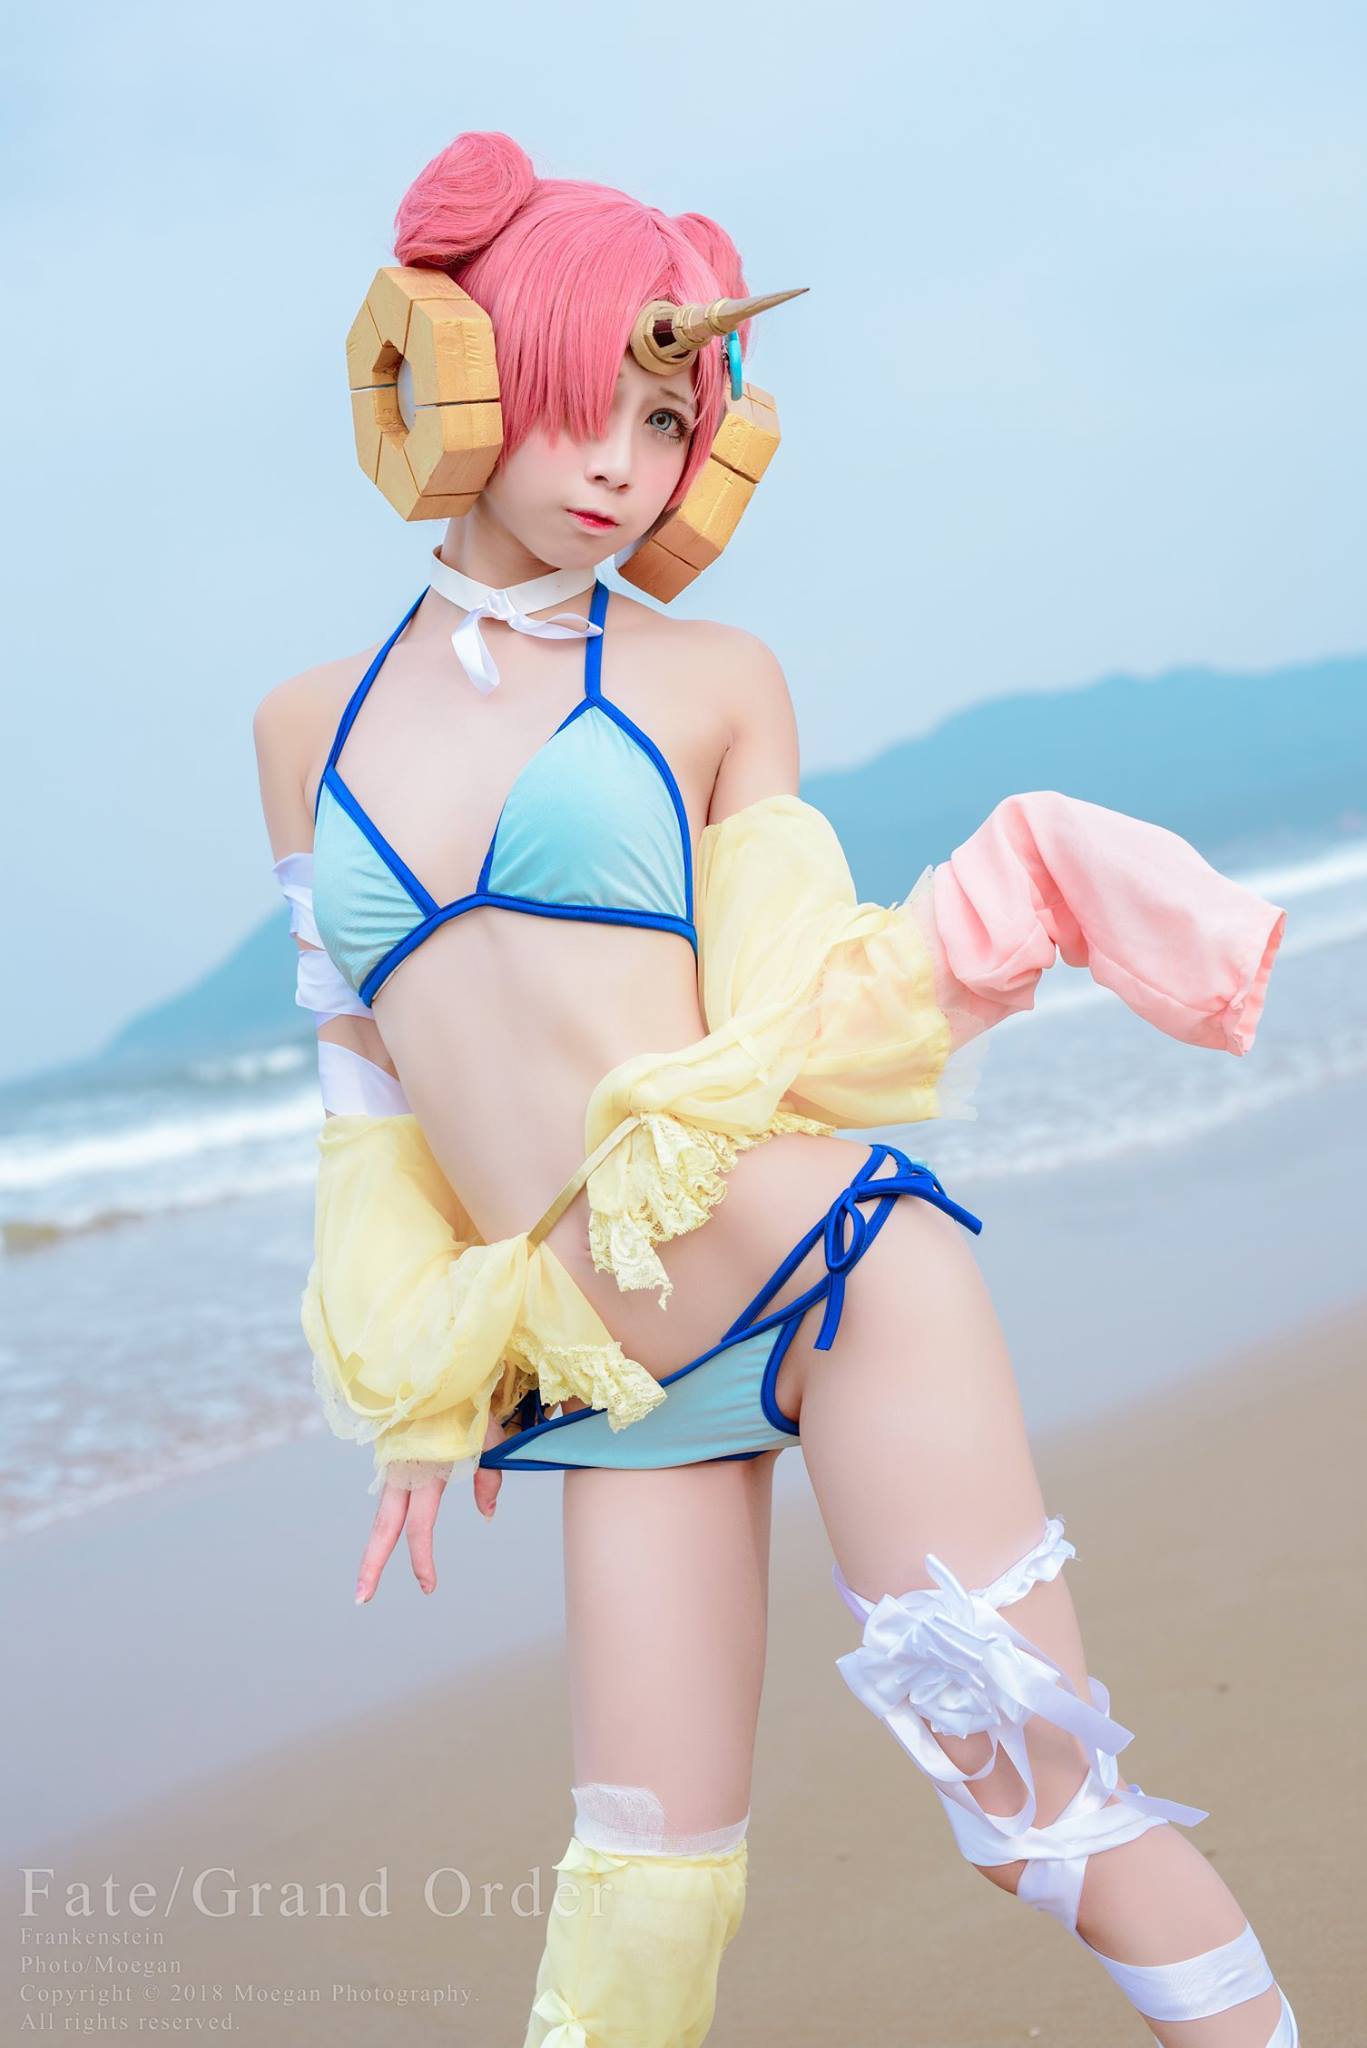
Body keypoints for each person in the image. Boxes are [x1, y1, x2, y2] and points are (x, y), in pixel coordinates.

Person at [253, 130, 1297, 2048]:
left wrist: (1018, 888)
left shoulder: (713, 678)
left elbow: (798, 998)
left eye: (667, 423)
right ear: (463, 373)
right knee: (637, 1913)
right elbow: (366, 1097)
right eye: (588, 399)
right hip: (606, 1378)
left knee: (1040, 1820)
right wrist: (416, 1393)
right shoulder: (300, 728)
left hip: (826, 1282)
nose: (621, 464)